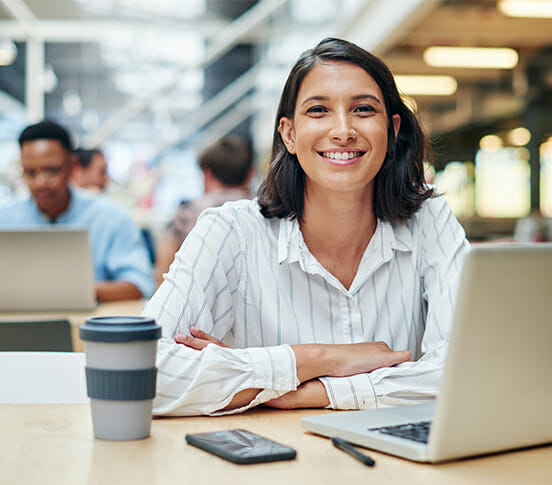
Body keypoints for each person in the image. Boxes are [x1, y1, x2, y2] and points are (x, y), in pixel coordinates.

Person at [142, 38, 469, 416]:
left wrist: (308, 392)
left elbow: (471, 367)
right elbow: (142, 370)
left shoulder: (430, 219)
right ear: (289, 134)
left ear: (392, 130)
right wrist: (316, 358)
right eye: (319, 111)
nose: (343, 130)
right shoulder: (230, 231)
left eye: (363, 109)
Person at [0, 120, 155, 302]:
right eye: (31, 173)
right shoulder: (5, 218)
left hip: (88, 325)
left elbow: (140, 285)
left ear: (72, 166)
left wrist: (71, 292)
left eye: (52, 171)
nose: (41, 182)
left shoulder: (111, 217)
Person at [155, 135, 253, 286]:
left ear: (206, 173)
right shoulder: (262, 212)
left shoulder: (189, 213)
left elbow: (164, 270)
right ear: (249, 174)